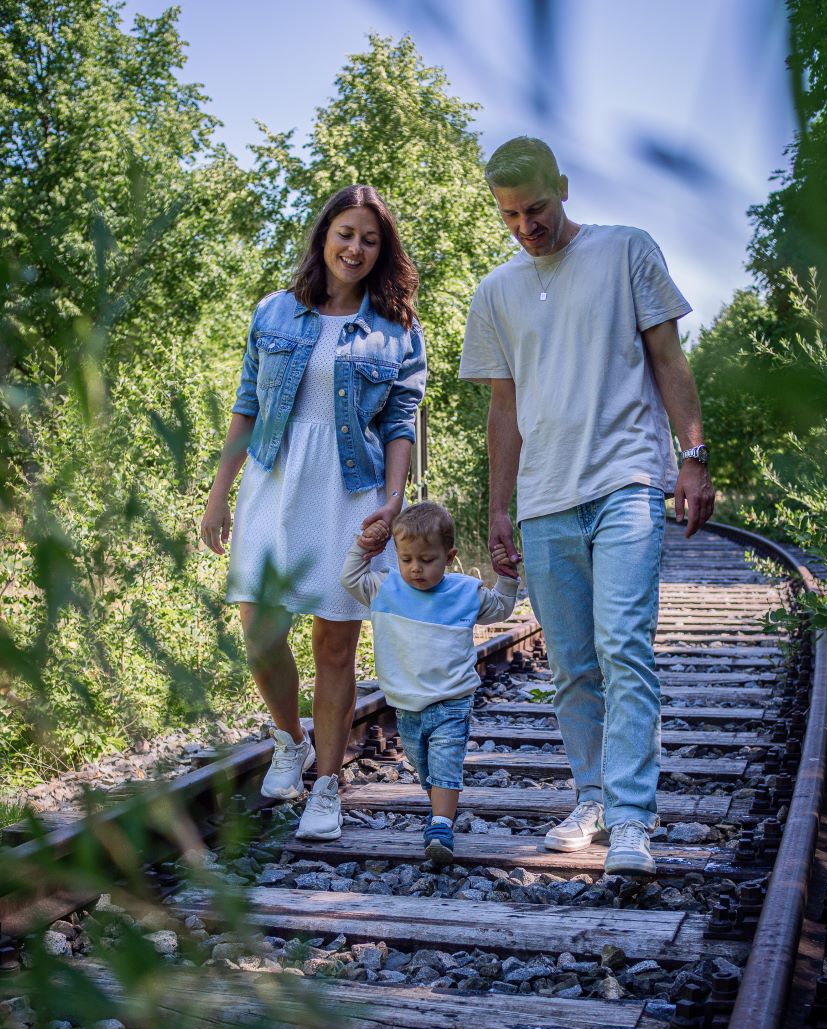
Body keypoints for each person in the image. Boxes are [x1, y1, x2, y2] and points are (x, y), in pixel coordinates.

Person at [459, 137, 715, 877]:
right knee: (571, 663)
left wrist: (693, 455)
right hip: (545, 499)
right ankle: (593, 797)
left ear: (563, 187)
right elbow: (503, 410)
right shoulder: (495, 292)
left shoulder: (626, 249)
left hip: (627, 480)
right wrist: (498, 508)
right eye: (510, 215)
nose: (526, 226)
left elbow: (669, 360)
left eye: (536, 208)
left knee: (623, 647)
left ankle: (632, 818)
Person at [200, 185, 426, 841]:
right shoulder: (274, 311)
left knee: (334, 643)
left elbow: (400, 423)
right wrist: (218, 493)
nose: (355, 248)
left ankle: (326, 786)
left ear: (382, 251)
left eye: (370, 239)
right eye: (346, 233)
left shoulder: (397, 329)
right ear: (324, 235)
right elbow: (247, 405)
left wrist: (393, 498)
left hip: (351, 490)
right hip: (273, 480)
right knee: (259, 628)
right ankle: (288, 738)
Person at [341, 501, 518, 863]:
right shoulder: (386, 587)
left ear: (449, 557)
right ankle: (440, 814)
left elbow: (500, 607)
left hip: (452, 699)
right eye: (406, 559)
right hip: (406, 704)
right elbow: (350, 579)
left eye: (426, 559)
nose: (415, 568)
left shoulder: (465, 592)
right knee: (424, 766)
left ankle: (440, 825)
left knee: (445, 764)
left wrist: (507, 575)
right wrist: (362, 547)